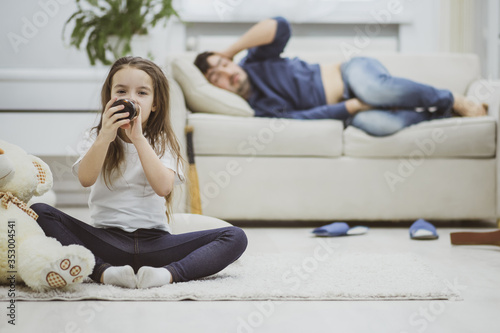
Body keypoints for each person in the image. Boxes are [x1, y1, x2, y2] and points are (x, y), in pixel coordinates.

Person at [32, 56, 247, 289]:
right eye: (121, 91)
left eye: (142, 93)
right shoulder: (96, 136)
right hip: (106, 240)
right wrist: (106, 135)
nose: (130, 99)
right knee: (39, 212)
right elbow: (86, 179)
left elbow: (163, 187)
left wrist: (138, 138)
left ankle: (166, 275)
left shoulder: (163, 142)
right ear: (109, 98)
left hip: (155, 244)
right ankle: (104, 272)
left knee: (235, 237)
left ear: (154, 103)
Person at [194, 17, 487, 136]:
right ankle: (445, 116)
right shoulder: (258, 109)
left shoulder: (255, 59)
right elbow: (302, 118)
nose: (225, 73)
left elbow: (280, 26)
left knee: (374, 89)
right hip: (351, 107)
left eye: (223, 64)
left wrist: (229, 50)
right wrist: (351, 108)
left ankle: (452, 99)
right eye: (215, 77)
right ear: (214, 89)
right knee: (377, 124)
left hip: (352, 75)